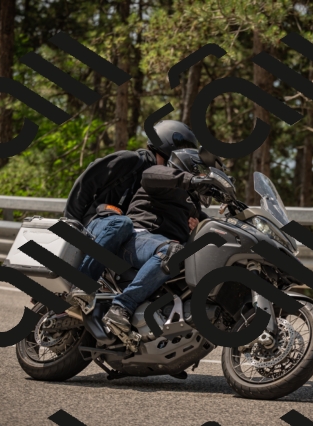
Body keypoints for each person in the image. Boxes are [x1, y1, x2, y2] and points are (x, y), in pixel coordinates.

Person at [102, 148, 227, 333]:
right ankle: (121, 306)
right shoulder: (163, 179)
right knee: (173, 252)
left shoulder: (193, 208)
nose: (205, 176)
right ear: (189, 167)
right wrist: (192, 180)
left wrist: (199, 227)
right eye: (202, 172)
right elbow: (150, 175)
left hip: (160, 248)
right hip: (136, 239)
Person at [62, 120, 198, 282]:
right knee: (121, 224)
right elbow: (85, 184)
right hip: (100, 221)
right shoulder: (130, 161)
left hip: (128, 233)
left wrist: (196, 224)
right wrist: (71, 226)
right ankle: (80, 282)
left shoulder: (168, 180)